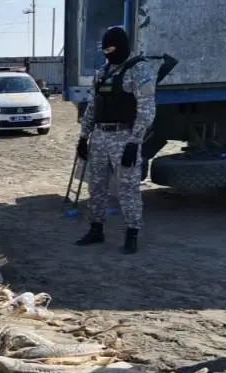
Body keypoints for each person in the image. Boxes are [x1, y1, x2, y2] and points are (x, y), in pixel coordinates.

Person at [75, 26, 157, 254]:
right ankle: (96, 228)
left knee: (127, 188)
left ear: (121, 47)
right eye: (104, 50)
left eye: (111, 49)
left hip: (124, 136)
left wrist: (135, 141)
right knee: (96, 185)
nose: (107, 54)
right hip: (100, 136)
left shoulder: (139, 70)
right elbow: (94, 106)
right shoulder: (103, 72)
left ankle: (132, 234)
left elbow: (147, 108)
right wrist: (83, 136)